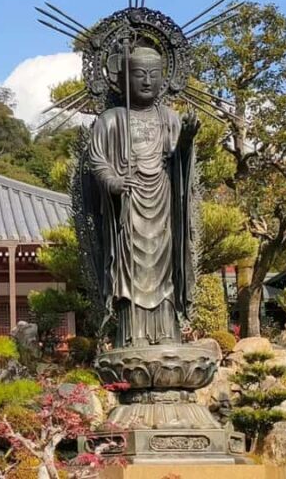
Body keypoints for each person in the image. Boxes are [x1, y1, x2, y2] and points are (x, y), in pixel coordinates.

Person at [80, 42, 199, 348]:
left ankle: (166, 334)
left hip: (162, 205)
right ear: (122, 79)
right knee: (131, 271)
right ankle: (133, 336)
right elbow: (97, 159)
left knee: (164, 272)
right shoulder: (111, 119)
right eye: (139, 74)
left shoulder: (169, 118)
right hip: (128, 208)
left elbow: (178, 164)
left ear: (165, 79)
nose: (147, 81)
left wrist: (185, 141)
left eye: (154, 74)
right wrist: (114, 182)